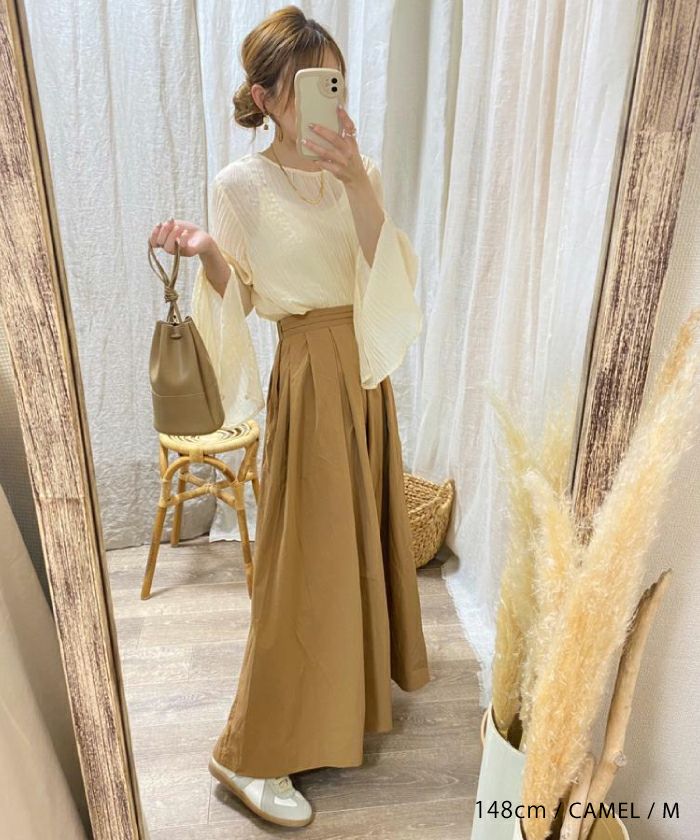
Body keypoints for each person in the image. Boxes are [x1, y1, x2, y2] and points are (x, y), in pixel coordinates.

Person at [148, 5, 430, 829]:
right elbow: (243, 299)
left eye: (331, 80)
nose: (324, 99)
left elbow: (385, 272)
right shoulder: (239, 186)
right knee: (301, 565)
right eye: (306, 84)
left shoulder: (358, 169)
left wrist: (356, 183)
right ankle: (249, 752)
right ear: (268, 97)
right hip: (308, 375)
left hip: (365, 377)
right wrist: (207, 254)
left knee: (350, 549)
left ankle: (343, 701)